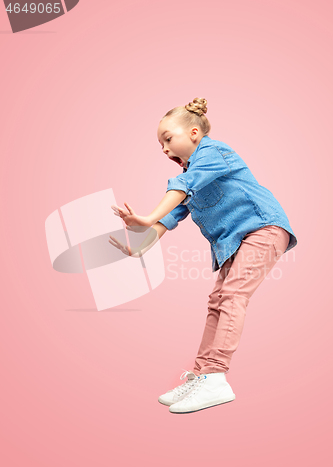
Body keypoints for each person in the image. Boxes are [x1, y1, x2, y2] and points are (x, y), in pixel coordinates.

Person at [109, 97, 298, 414]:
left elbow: (182, 187)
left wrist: (145, 216)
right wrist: (137, 247)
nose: (165, 149)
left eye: (168, 138)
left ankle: (215, 377)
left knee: (233, 294)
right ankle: (200, 375)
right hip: (234, 243)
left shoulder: (212, 153)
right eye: (161, 145)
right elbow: (170, 218)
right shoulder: (191, 174)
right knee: (217, 301)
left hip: (262, 229)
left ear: (194, 132)